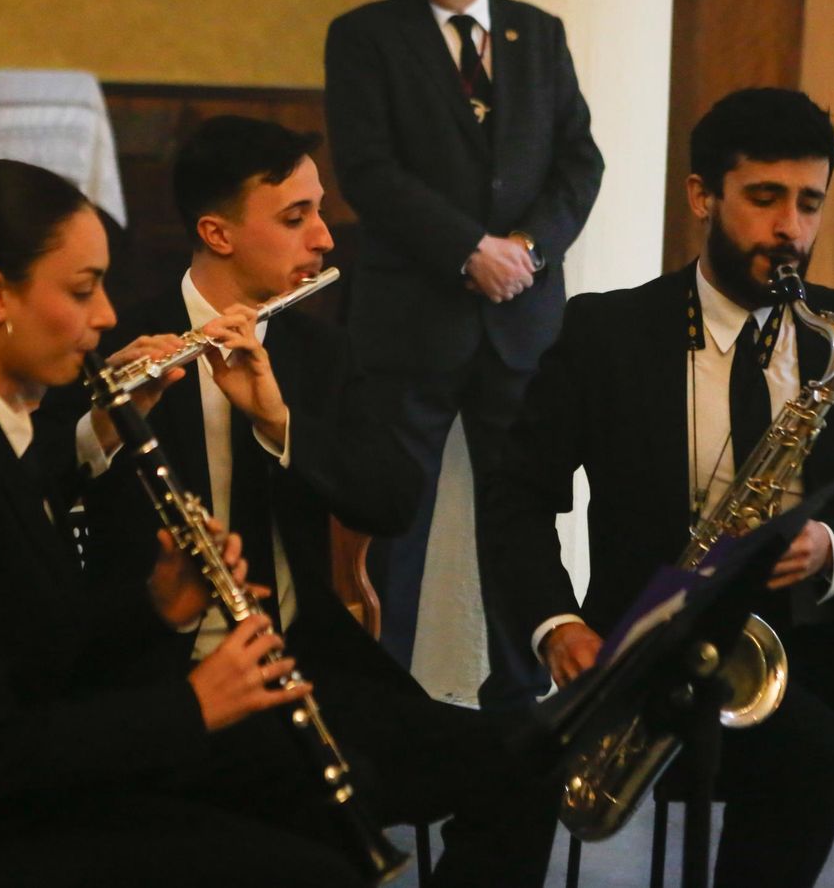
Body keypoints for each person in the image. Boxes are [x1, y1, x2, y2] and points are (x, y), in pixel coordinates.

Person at [486, 88, 834, 888]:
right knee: (811, 759)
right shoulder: (607, 334)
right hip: (673, 644)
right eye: (764, 198)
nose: (790, 228)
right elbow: (516, 492)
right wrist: (556, 625)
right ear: (701, 196)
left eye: (809, 203)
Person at [0, 160, 367, 887]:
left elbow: (24, 637)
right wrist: (190, 707)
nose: (106, 318)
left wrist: (155, 607)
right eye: (83, 290)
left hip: (6, 805)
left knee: (301, 849)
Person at [50, 116, 560, 887]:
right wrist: (107, 426)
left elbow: (393, 500)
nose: (325, 238)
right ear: (217, 234)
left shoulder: (317, 351)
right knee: (333, 801)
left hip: (307, 663)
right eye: (296, 217)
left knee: (526, 762)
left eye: (319, 209)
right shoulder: (112, 340)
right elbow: (46, 487)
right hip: (168, 685)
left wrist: (278, 421)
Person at [324, 0, 604, 707]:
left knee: (520, 514)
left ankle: (521, 701)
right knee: (392, 524)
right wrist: (469, 249)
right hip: (411, 321)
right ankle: (384, 708)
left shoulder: (538, 34)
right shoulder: (366, 36)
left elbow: (579, 161)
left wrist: (525, 248)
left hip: (520, 320)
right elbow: (368, 173)